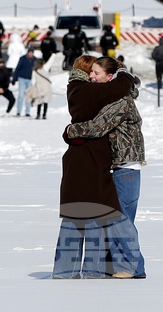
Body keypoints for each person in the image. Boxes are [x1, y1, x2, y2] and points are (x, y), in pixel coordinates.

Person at [53, 56, 139, 279]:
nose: (93, 76)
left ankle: (129, 269)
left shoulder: (113, 97)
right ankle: (102, 270)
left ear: (109, 76)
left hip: (120, 165)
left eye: (97, 73)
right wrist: (125, 75)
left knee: (115, 219)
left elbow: (97, 126)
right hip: (104, 163)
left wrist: (70, 131)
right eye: (91, 72)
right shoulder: (91, 92)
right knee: (102, 217)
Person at [26, 53, 54, 119]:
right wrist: (53, 55)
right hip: (47, 88)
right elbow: (50, 62)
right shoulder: (45, 68)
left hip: (39, 88)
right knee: (45, 102)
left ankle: (38, 115)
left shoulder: (35, 70)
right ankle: (44, 115)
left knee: (39, 101)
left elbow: (33, 81)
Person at [12, 49, 36, 117]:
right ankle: (18, 112)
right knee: (21, 95)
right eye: (29, 53)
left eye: (31, 53)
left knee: (28, 96)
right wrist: (14, 78)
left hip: (30, 79)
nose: (30, 54)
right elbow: (17, 68)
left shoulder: (35, 60)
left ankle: (27, 112)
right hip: (22, 78)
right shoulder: (22, 59)